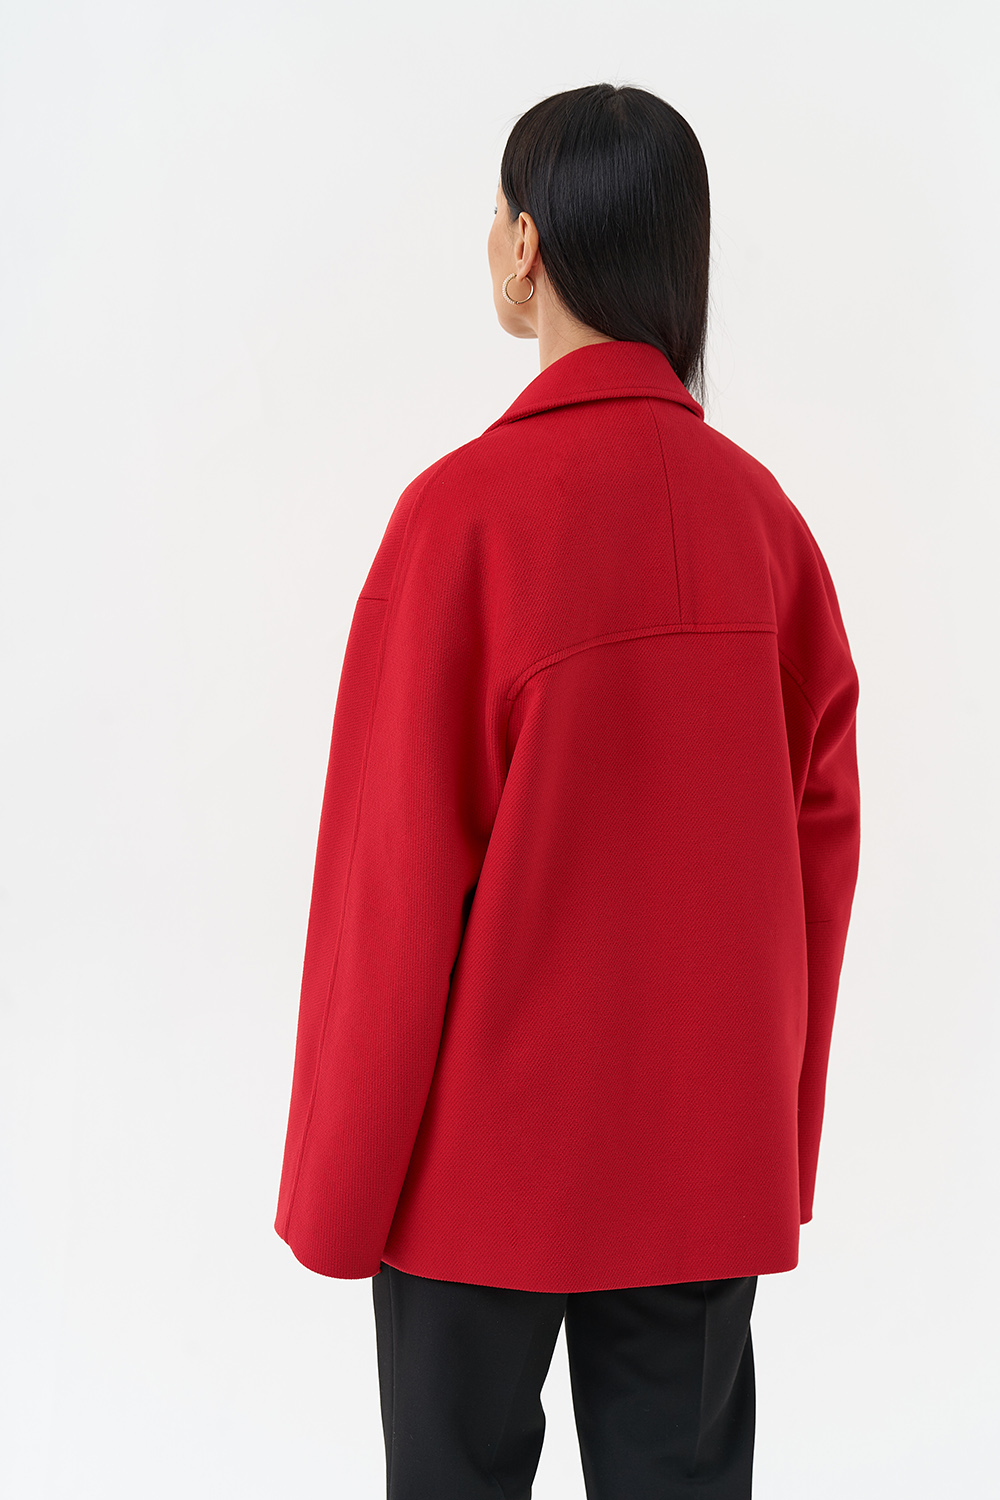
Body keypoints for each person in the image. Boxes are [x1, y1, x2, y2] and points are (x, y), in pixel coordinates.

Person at [273, 83, 862, 1499]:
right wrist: (770, 1142)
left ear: (528, 244)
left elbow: (391, 884)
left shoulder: (462, 519)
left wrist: (340, 1194)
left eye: (496, 215)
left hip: (472, 1171)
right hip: (699, 1165)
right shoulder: (767, 528)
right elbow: (818, 863)